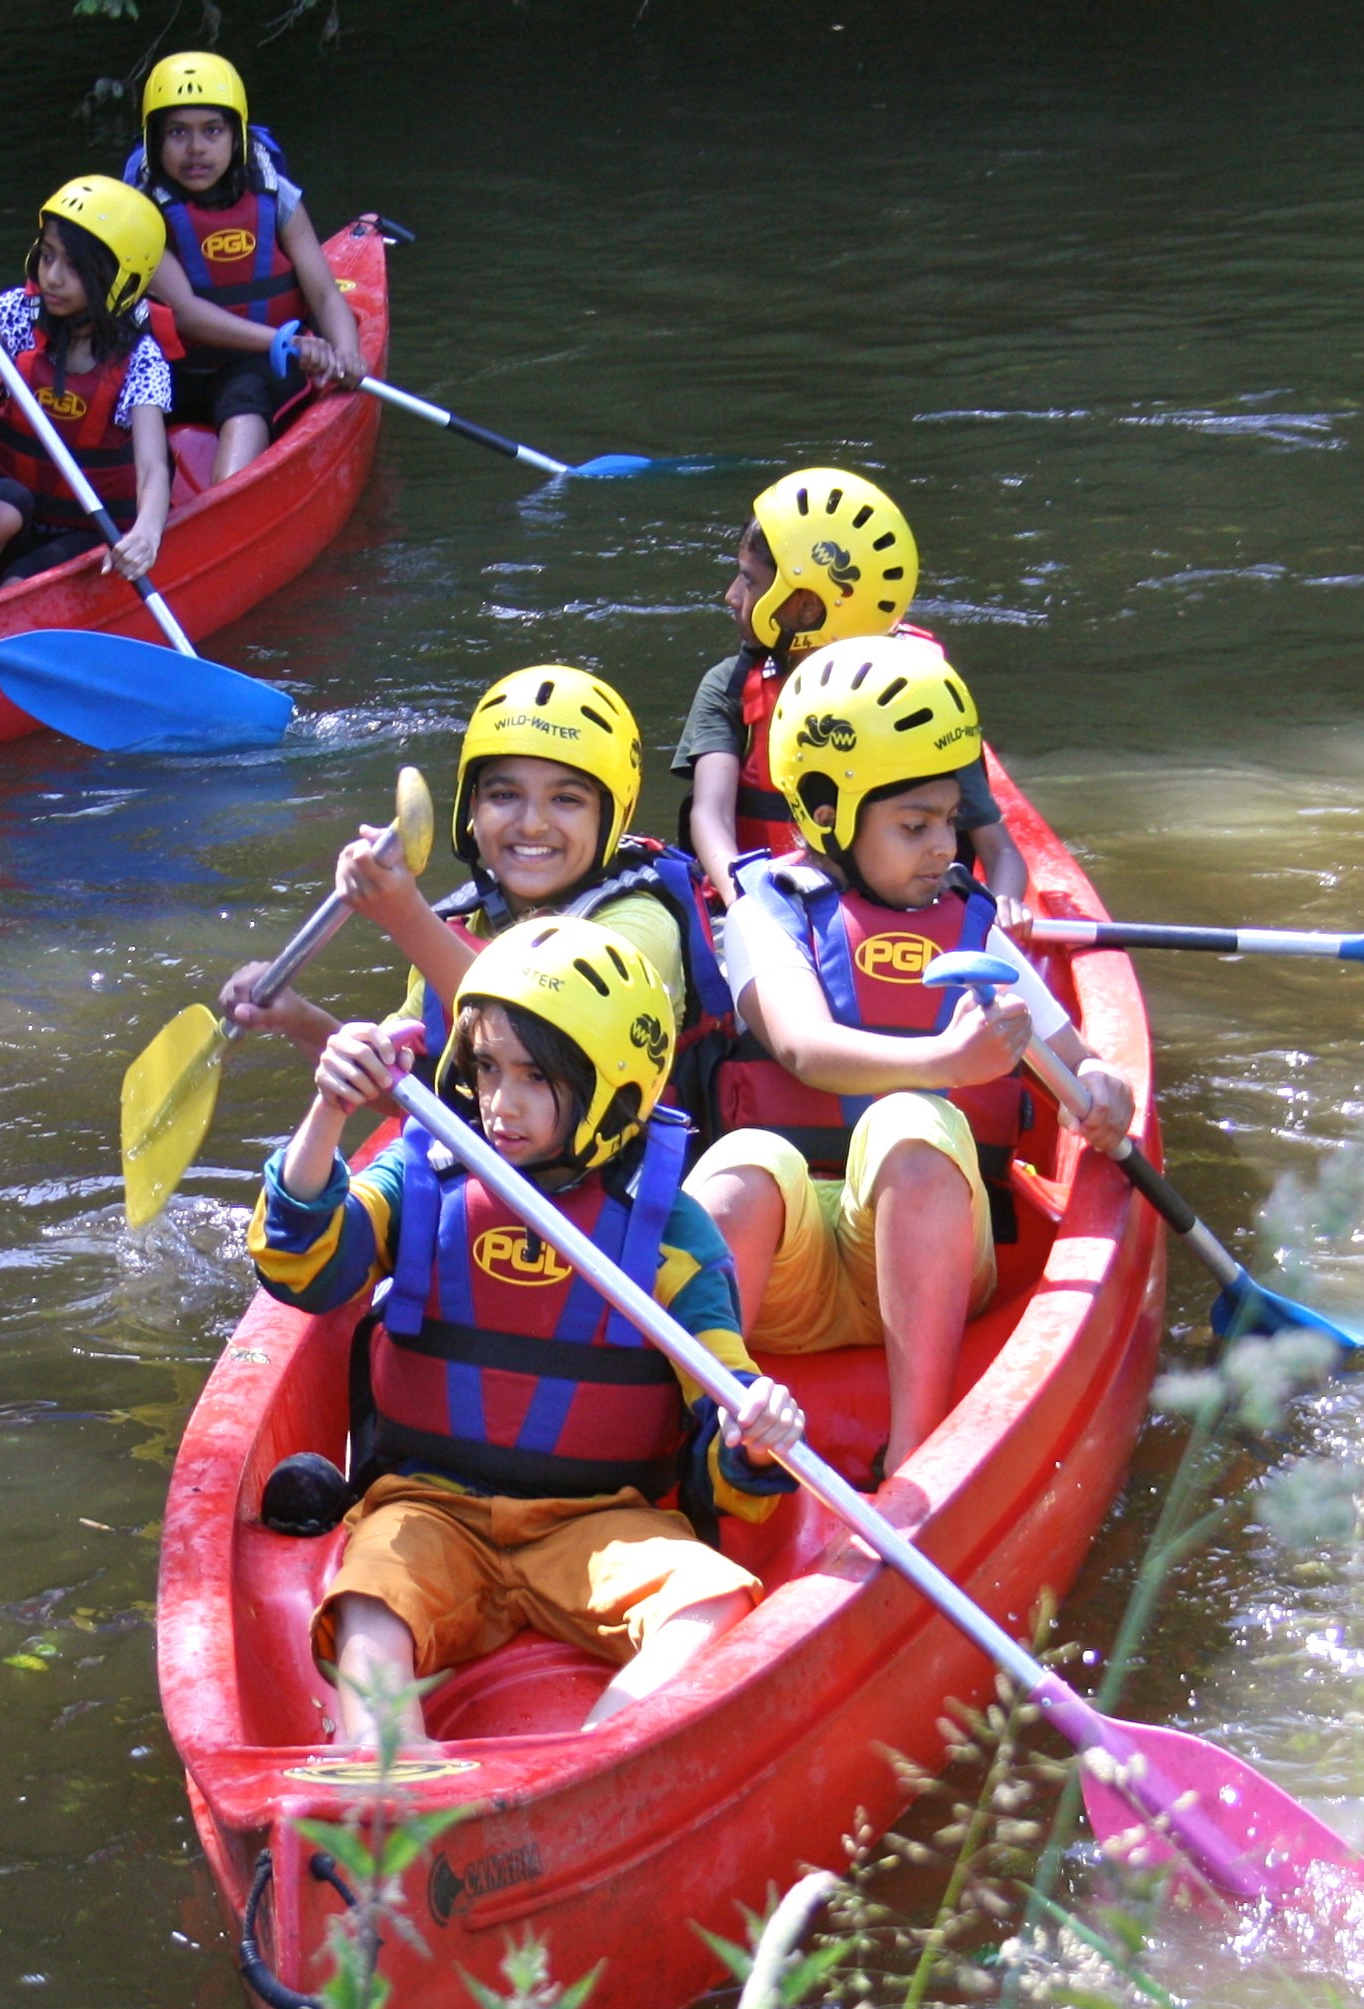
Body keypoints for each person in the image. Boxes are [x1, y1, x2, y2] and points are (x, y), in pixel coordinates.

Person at [248, 918, 805, 1748]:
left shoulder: (672, 1236)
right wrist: (330, 1112)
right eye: (484, 1069)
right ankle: (382, 1757)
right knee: (368, 1596)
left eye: (535, 1078)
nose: (499, 1104)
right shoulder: (423, 1175)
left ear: (615, 1091)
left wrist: (754, 1438)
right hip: (430, 1505)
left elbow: (723, 1424)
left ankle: (601, 1752)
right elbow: (303, 1268)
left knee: (715, 1599)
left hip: (597, 1521)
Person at [687, 635, 1134, 1468]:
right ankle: (716, 1441)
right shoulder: (765, 910)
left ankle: (915, 1454)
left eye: (950, 823)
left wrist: (1107, 1092)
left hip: (935, 1263)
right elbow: (802, 1047)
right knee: (738, 1164)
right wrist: (947, 1065)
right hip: (790, 1265)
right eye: (913, 825)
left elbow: (1078, 1062)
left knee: (910, 1129)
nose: (943, 847)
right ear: (827, 817)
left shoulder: (972, 926)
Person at [226, 665, 734, 1116]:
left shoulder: (642, 923)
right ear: (470, 811)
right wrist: (301, 1021)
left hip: (626, 1197)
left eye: (566, 799)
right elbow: (408, 1091)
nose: (532, 824)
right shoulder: (462, 929)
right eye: (504, 795)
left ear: (611, 816)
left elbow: (543, 1036)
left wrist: (404, 915)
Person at [672, 468, 1031, 918]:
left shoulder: (921, 695)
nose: (731, 595)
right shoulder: (730, 686)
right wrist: (744, 902)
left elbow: (1000, 852)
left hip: (901, 915)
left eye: (749, 580)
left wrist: (1002, 911)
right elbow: (711, 816)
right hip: (772, 904)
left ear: (807, 606)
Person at [0, 177, 175, 614]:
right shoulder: (18, 313)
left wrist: (146, 533)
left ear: (118, 277)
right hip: (2, 516)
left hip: (83, 531)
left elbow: (151, 468)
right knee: (0, 508)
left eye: (74, 268)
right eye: (47, 257)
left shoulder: (141, 359)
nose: (51, 277)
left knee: (17, 587)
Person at [123, 49, 362, 479]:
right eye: (177, 132)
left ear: (237, 137)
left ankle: (228, 495)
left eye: (212, 131)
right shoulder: (140, 215)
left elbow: (325, 294)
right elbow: (187, 315)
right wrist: (285, 341)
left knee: (245, 400)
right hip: (168, 368)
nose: (196, 149)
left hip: (252, 369)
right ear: (154, 142)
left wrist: (347, 353)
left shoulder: (277, 198)